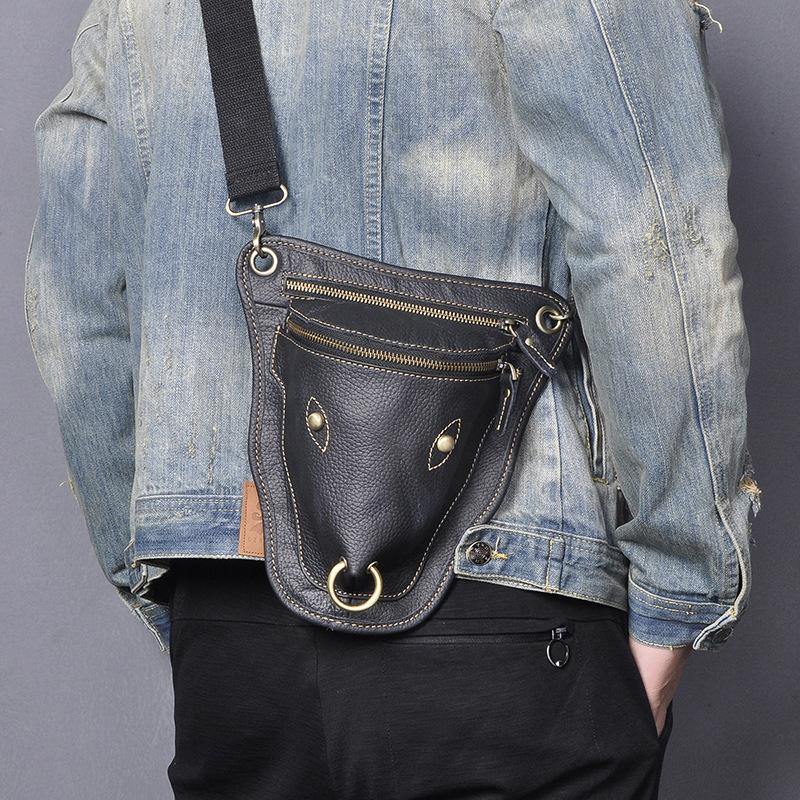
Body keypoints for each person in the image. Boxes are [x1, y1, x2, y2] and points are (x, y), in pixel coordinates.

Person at [25, 1, 761, 798]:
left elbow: (80, 307)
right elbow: (655, 243)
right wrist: (682, 597)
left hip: (237, 641)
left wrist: (174, 572)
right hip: (500, 608)